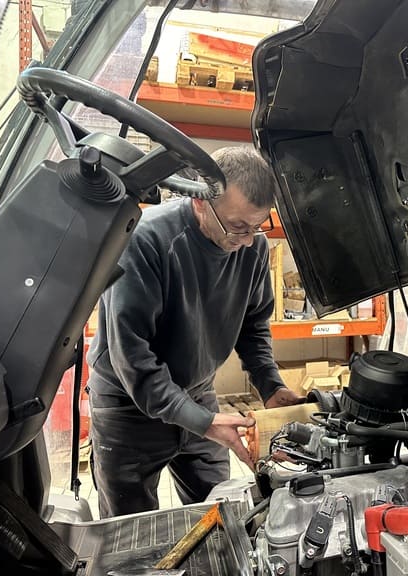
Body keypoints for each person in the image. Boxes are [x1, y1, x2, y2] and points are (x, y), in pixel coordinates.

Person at [86, 146, 301, 518]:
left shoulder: (252, 248)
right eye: (238, 227)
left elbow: (253, 325)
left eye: (257, 226)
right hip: (129, 409)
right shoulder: (145, 242)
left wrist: (270, 386)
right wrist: (203, 422)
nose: (248, 240)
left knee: (220, 517)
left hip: (198, 394)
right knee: (131, 531)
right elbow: (132, 358)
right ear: (200, 200)